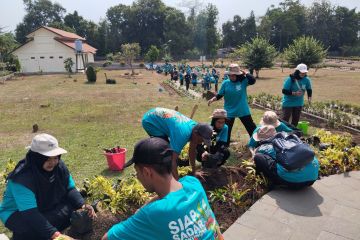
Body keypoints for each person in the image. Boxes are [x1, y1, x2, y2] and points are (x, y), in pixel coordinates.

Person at [102, 137, 223, 240]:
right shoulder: (193, 183)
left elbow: (107, 238)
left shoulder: (154, 213)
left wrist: (140, 213)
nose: (138, 177)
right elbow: (171, 193)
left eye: (137, 172)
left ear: (147, 172)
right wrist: (144, 207)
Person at [0, 134, 96, 240]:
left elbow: (70, 189)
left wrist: (82, 205)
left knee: (72, 208)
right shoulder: (22, 179)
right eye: (47, 159)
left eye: (55, 158)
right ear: (36, 157)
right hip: (18, 213)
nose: (53, 162)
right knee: (31, 229)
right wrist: (57, 236)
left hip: (44, 206)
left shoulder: (59, 167)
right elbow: (31, 214)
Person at [135, 107, 213, 179]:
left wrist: (194, 171)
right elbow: (172, 159)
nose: (201, 142)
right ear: (196, 134)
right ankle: (158, 174)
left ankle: (167, 174)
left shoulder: (196, 128)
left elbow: (192, 151)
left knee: (168, 152)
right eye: (202, 140)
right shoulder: (182, 134)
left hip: (158, 114)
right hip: (150, 121)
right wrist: (178, 183)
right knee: (165, 150)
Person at [251, 125, 319, 189]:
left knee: (258, 157)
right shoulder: (291, 138)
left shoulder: (265, 147)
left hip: (291, 182)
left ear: (261, 140)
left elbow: (255, 155)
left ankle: (272, 181)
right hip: (312, 178)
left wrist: (255, 151)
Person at [208, 63, 257, 144]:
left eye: (235, 75)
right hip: (229, 111)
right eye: (231, 75)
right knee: (226, 129)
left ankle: (256, 143)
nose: (232, 76)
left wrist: (246, 73)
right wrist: (213, 99)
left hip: (242, 109)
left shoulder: (243, 81)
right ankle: (223, 145)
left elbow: (253, 80)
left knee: (251, 128)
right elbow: (220, 95)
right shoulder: (225, 83)